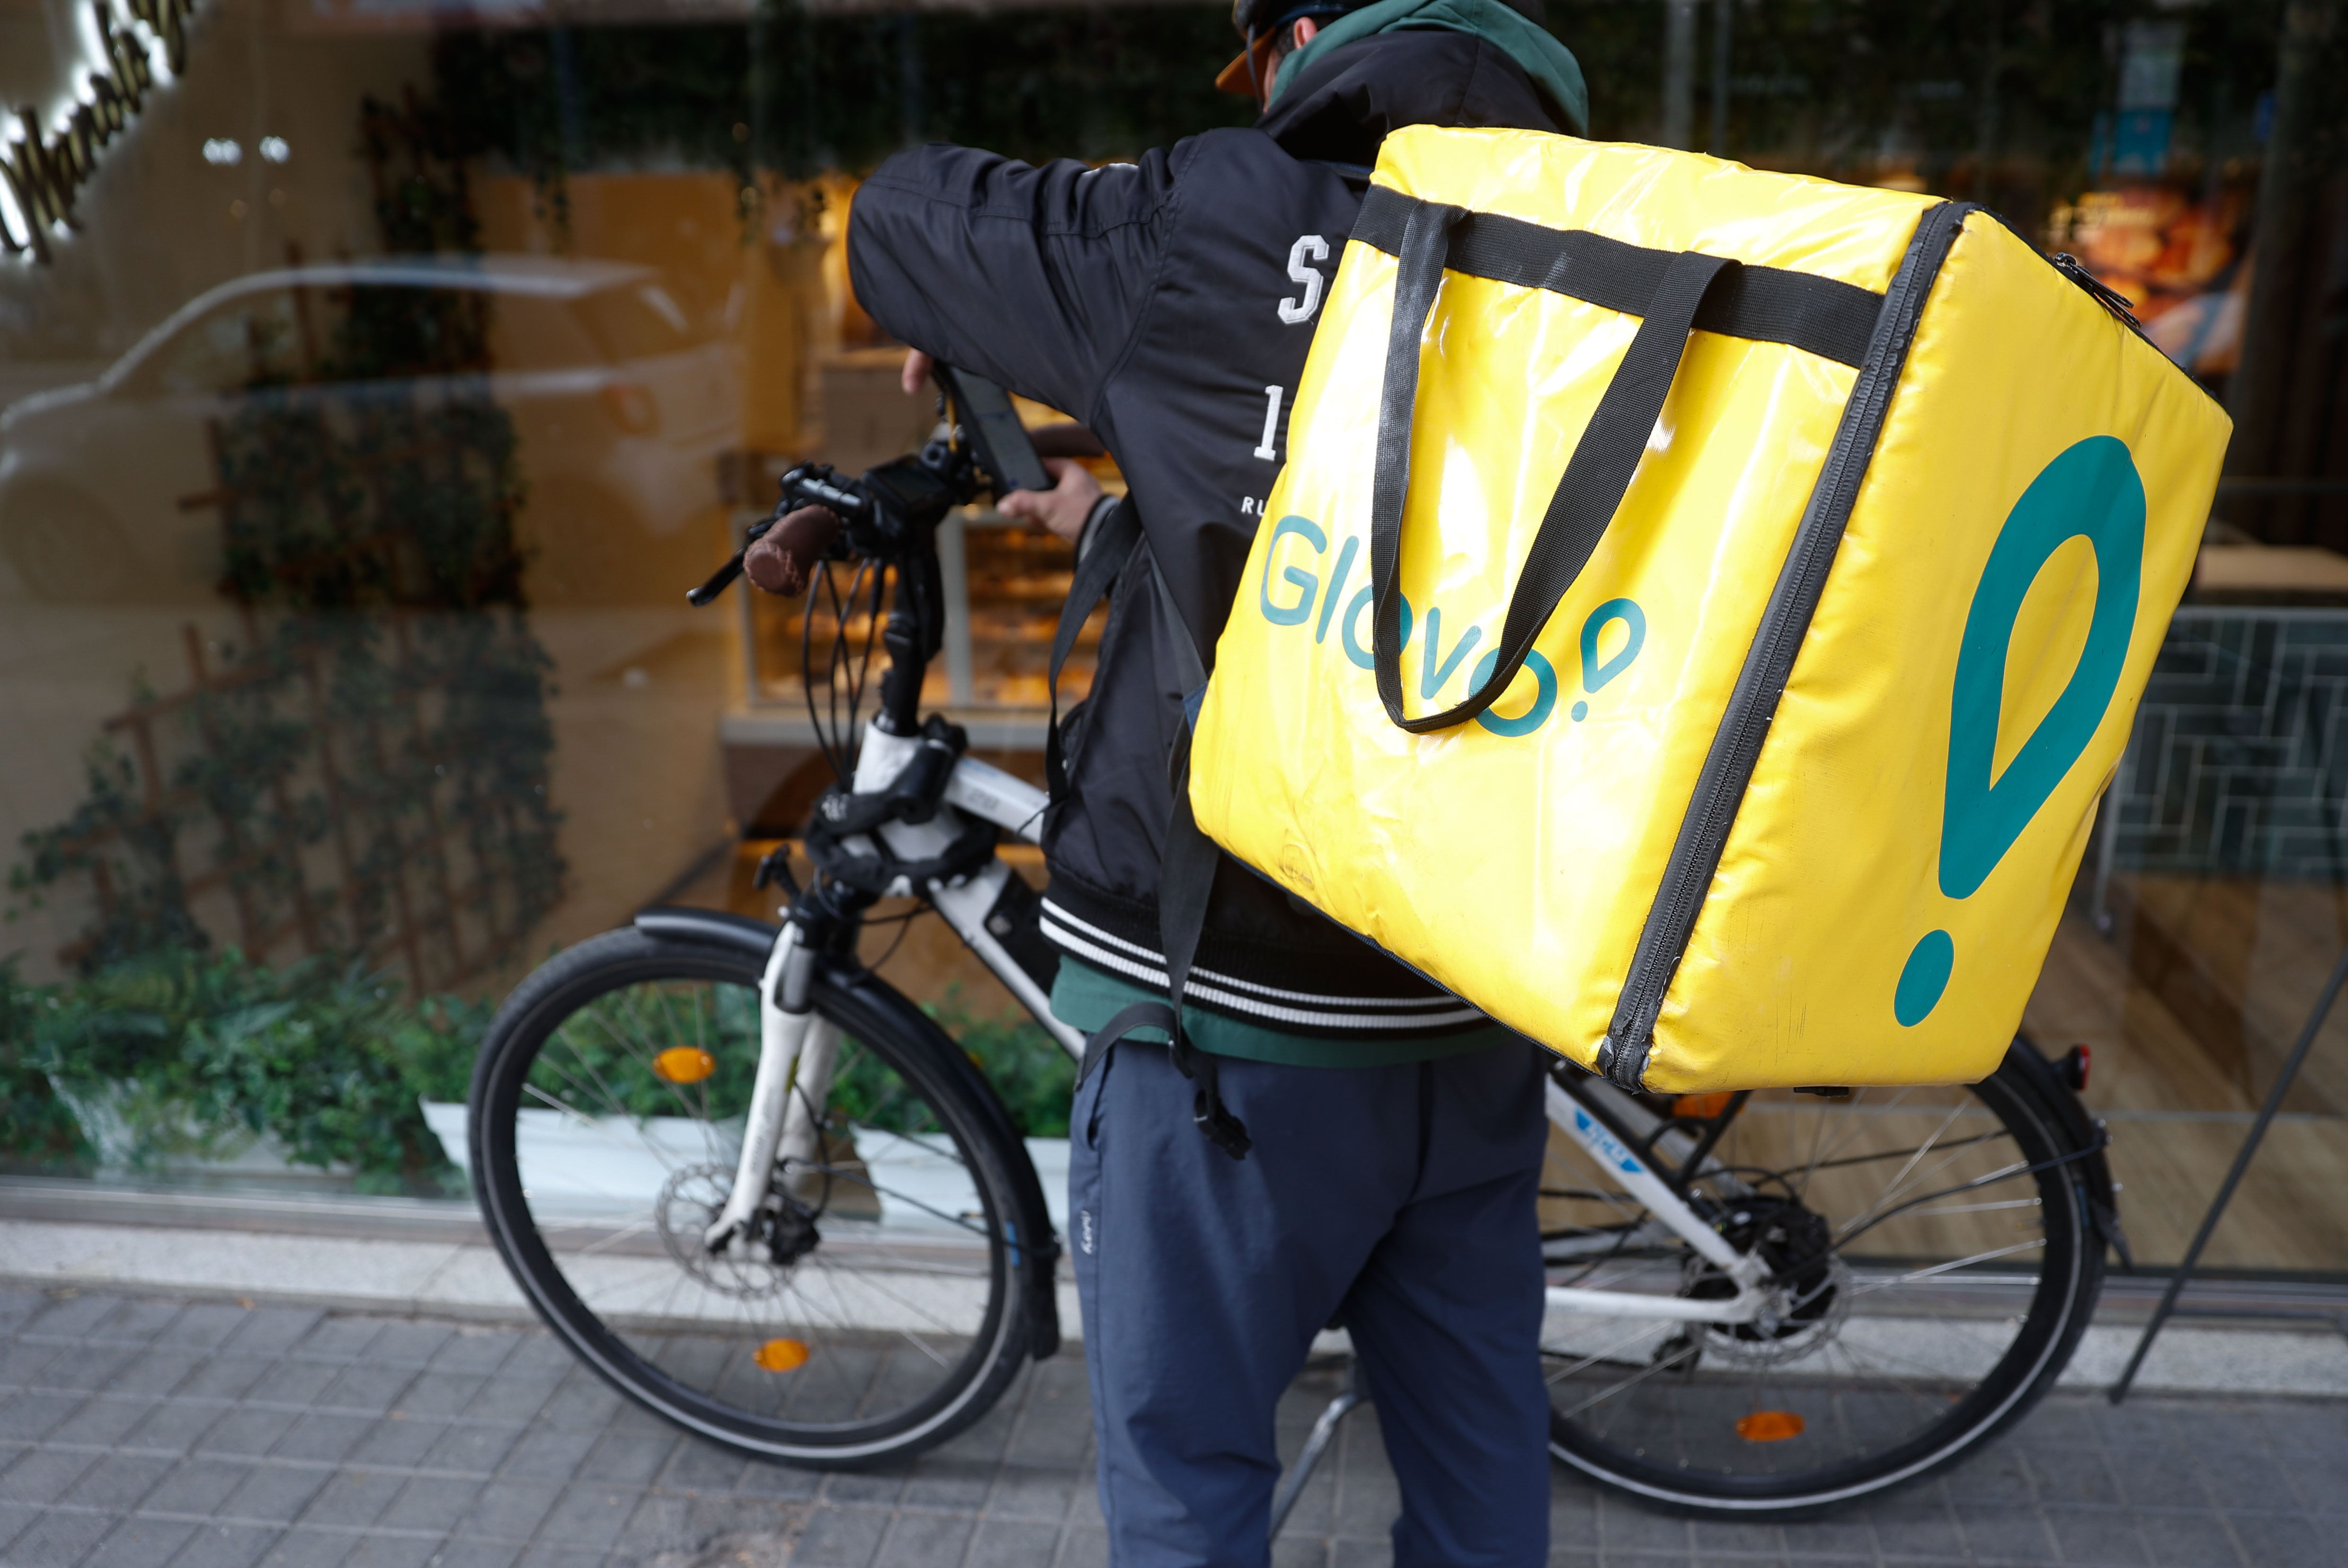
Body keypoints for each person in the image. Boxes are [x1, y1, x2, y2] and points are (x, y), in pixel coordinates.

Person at [748, 6, 1586, 1562]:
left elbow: (903, 220)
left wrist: (1022, 306)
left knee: (1188, 1480)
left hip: (1227, 1036)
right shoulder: (1625, 261)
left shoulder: (1222, 220)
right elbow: (1375, 548)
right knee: (1484, 1468)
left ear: (1311, 39)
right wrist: (1110, 511)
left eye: (1255, 60)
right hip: (1473, 1006)